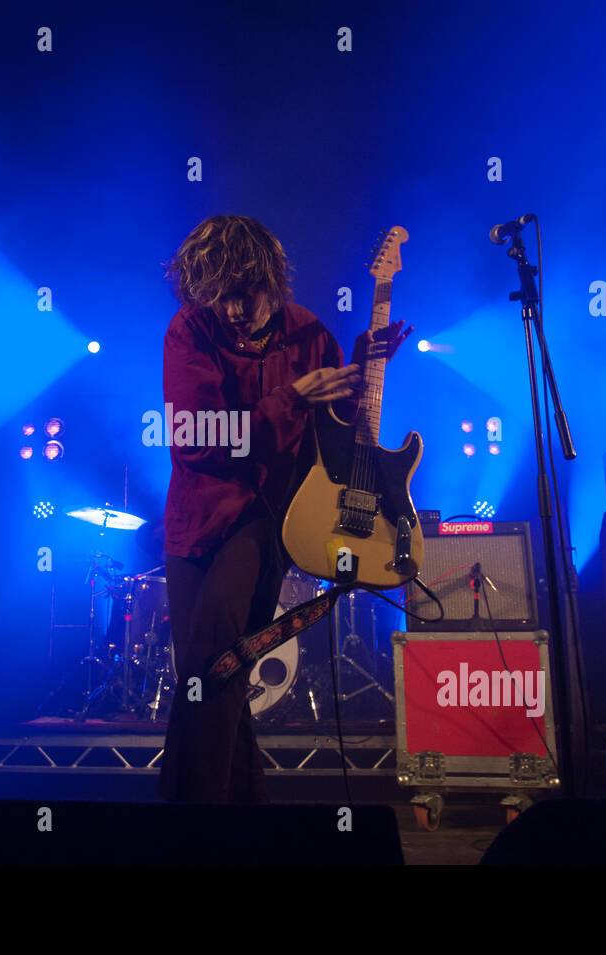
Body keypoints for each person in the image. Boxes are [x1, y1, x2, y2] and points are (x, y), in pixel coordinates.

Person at [156, 215, 411, 803]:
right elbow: (196, 439)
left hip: (265, 520)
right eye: (218, 296)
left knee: (212, 669)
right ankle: (247, 814)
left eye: (243, 293)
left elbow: (341, 438)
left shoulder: (307, 334)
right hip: (194, 524)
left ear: (271, 279)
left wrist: (362, 369)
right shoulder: (189, 330)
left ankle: (183, 821)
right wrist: (291, 396)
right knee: (220, 675)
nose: (232, 309)